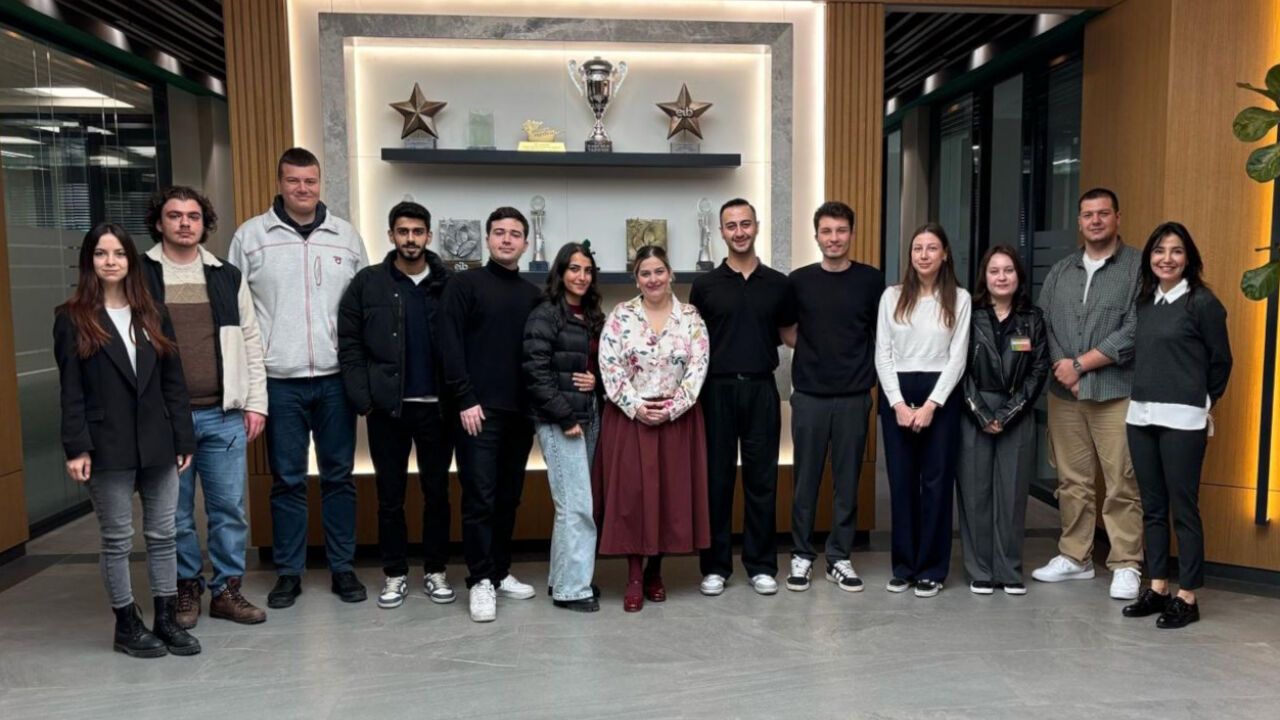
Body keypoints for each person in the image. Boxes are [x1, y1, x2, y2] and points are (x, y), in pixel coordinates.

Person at [228, 147, 370, 608]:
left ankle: (342, 568)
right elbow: (235, 313)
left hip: (334, 380)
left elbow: (364, 308)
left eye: (310, 181)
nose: (302, 189)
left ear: (319, 182)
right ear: (280, 182)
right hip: (278, 380)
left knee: (339, 477)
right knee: (287, 479)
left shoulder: (346, 237)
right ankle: (289, 572)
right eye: (293, 180)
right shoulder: (251, 237)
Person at [54, 222, 200, 658]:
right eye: (101, 253)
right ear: (89, 261)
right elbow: (70, 390)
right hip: (106, 443)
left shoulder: (153, 312)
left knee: (163, 534)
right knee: (117, 538)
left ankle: (166, 619)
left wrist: (183, 438)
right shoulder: (72, 318)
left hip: (158, 440)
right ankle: (126, 624)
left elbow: (173, 382)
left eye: (119, 253)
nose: (111, 261)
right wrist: (76, 446)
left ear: (131, 260)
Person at [140, 186, 268, 627]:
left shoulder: (225, 275)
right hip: (165, 418)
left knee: (229, 510)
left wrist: (256, 403)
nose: (184, 223)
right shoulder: (141, 274)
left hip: (224, 414)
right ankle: (185, 588)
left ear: (204, 223)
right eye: (174, 215)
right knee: (175, 514)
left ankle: (227, 591)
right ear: (159, 222)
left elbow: (250, 339)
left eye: (193, 216)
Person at [337, 200, 455, 610]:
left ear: (428, 236)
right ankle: (395, 573)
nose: (410, 239)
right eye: (402, 231)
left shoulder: (449, 283)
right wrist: (364, 399)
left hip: (438, 409)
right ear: (391, 235)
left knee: (437, 493)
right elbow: (349, 342)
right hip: (388, 409)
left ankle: (436, 571)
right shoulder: (368, 283)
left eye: (417, 232)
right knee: (390, 496)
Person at [1033, 187, 1144, 601]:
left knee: (1122, 482)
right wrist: (1065, 370)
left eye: (1103, 213)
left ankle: (1126, 562)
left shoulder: (1137, 268)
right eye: (1087, 214)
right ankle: (1075, 556)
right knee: (1072, 481)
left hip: (1115, 392)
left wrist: (1081, 365)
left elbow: (1135, 328)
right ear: (1079, 222)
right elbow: (1044, 324)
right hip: (1065, 395)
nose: (1095, 221)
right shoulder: (1061, 271)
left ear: (1117, 217)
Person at [1122, 222, 1231, 628]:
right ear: (1149, 257)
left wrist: (1201, 401)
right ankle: (1158, 588)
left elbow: (1221, 362)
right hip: (1141, 416)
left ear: (1189, 259)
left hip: (1183, 421)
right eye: (1159, 251)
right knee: (1152, 507)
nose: (1166, 258)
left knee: (1183, 508)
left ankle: (1187, 596)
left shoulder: (1203, 303)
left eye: (1176, 251)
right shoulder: (1145, 301)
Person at [439, 206, 542, 623]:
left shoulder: (533, 295)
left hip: (520, 413)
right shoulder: (463, 284)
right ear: (487, 239)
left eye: (514, 234)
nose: (506, 239)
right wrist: (464, 399)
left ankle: (499, 572)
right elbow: (448, 344)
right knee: (479, 498)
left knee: (508, 497)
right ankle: (479, 579)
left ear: (526, 243)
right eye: (499, 232)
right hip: (476, 412)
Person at [689, 198, 796, 597]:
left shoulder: (779, 284)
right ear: (721, 232)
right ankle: (715, 567)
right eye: (731, 225)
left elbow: (791, 335)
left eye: (745, 224)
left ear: (756, 226)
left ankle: (761, 565)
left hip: (761, 389)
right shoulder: (705, 286)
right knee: (716, 482)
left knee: (762, 481)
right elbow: (692, 343)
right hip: (715, 391)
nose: (739, 231)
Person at [598, 245, 711, 612]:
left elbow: (698, 367)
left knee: (667, 497)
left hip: (677, 420)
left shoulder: (690, 317)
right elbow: (609, 366)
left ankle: (655, 571)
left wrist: (672, 408)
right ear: (636, 279)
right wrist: (636, 406)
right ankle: (633, 574)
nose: (653, 279)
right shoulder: (621, 316)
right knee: (632, 498)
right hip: (631, 419)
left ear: (670, 274)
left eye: (659, 271)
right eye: (645, 273)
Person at [782, 201, 883, 592]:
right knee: (805, 481)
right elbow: (787, 331)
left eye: (841, 230)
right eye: (827, 231)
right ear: (816, 236)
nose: (834, 238)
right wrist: (815, 353)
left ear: (851, 234)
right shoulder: (799, 281)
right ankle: (802, 555)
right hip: (809, 396)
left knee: (847, 482)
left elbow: (880, 334)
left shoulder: (871, 281)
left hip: (855, 396)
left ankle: (839, 556)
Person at [875, 223, 971, 598]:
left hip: (941, 395)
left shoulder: (959, 298)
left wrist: (932, 404)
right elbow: (882, 353)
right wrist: (897, 403)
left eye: (932, 248)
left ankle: (932, 568)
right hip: (897, 392)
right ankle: (904, 567)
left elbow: (958, 357)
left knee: (936, 483)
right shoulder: (892, 296)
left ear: (945, 254)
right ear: (910, 255)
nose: (924, 255)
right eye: (918, 248)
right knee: (901, 483)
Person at [957, 245, 1049, 596]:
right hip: (974, 410)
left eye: (1008, 270)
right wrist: (982, 413)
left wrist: (1008, 413)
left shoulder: (1032, 319)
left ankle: (1009, 570)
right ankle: (980, 570)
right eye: (994, 270)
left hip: (1018, 412)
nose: (1001, 277)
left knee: (1012, 494)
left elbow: (1039, 369)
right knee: (975, 492)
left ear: (1018, 276)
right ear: (985, 276)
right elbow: (958, 367)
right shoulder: (969, 314)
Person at [522, 242, 604, 613]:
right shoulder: (546, 315)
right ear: (560, 272)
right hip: (560, 421)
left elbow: (600, 366)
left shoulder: (591, 315)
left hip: (588, 416)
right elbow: (535, 373)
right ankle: (573, 589)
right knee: (577, 506)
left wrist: (596, 381)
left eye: (587, 270)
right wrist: (566, 417)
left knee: (570, 506)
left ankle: (564, 579)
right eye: (574, 269)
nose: (581, 276)